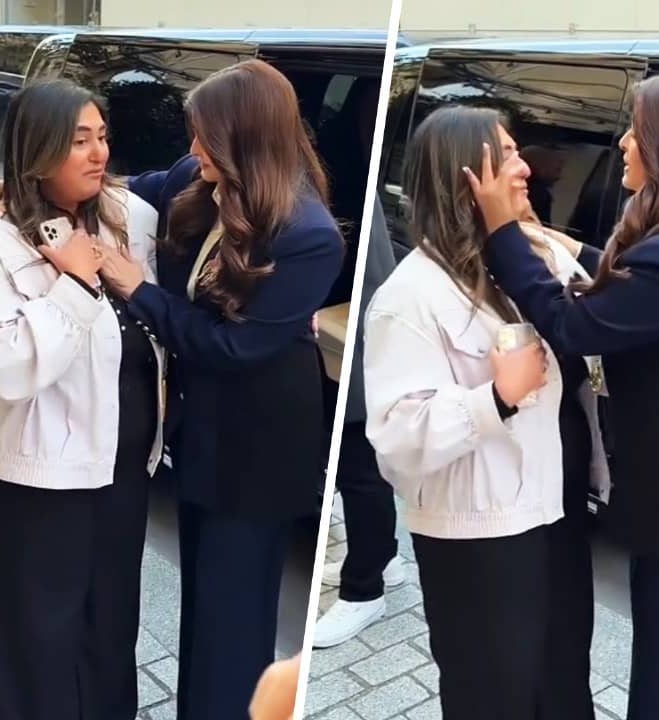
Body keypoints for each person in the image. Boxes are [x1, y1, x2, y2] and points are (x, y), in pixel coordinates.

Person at [467, 72, 659, 720]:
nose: (625, 143)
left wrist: (501, 232)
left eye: (638, 132)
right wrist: (557, 241)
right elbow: (635, 284)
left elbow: (571, 324)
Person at [98, 60, 343, 719]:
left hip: (260, 448)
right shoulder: (199, 176)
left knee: (233, 621)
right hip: (202, 430)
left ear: (246, 139)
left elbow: (232, 347)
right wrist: (16, 188)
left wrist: (138, 289)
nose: (193, 149)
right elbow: (125, 190)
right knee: (203, 606)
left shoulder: (308, 234)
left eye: (205, 136)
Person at [364, 105, 593, 720]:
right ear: (467, 176)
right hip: (480, 532)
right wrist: (494, 398)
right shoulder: (410, 296)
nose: (525, 167)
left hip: (558, 510)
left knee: (563, 681)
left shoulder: (536, 254)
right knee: (493, 693)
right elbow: (397, 438)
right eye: (508, 155)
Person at [0, 79, 163, 719]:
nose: (99, 153)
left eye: (102, 136)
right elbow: (3, 366)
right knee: (37, 638)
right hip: (34, 476)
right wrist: (74, 283)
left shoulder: (130, 217)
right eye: (79, 141)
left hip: (121, 469)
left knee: (110, 627)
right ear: (38, 149)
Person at [311, 197, 407, 647]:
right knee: (362, 466)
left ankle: (364, 590)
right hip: (364, 331)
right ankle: (382, 556)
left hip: (364, 336)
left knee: (359, 467)